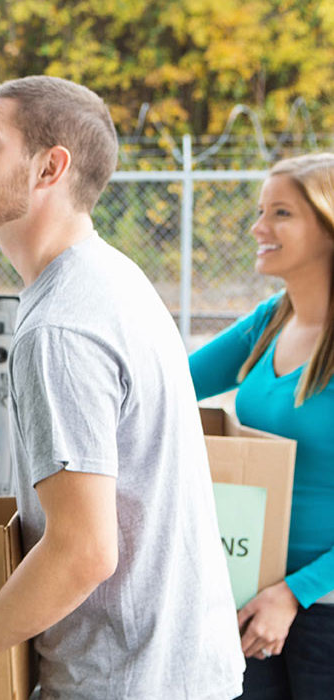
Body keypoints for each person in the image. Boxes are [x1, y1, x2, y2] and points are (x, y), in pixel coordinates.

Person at [0, 76, 245, 699]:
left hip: (124, 684)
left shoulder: (61, 327)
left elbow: (85, 551)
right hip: (185, 671)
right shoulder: (113, 278)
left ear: (49, 168)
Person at [189, 153, 334, 700]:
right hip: (250, 594)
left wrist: (294, 594)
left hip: (321, 607)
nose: (258, 228)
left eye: (281, 213)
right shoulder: (272, 319)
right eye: (260, 211)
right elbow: (168, 388)